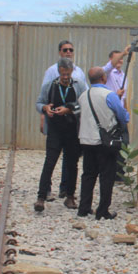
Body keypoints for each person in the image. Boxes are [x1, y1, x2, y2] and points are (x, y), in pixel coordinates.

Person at [76, 67, 130, 220]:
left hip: (86, 140)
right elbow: (122, 115)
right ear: (104, 79)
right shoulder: (109, 95)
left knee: (88, 174)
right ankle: (103, 210)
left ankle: (84, 207)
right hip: (105, 142)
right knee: (107, 176)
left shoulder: (83, 95)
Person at [34, 58, 86, 212]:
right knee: (49, 162)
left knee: (72, 164)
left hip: (72, 131)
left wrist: (69, 109)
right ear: (58, 72)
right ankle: (41, 197)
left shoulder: (79, 86)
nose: (65, 77)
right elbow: (39, 103)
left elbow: (84, 105)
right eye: (62, 74)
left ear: (71, 72)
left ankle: (70, 195)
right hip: (55, 130)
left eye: (67, 74)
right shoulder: (49, 86)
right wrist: (45, 108)